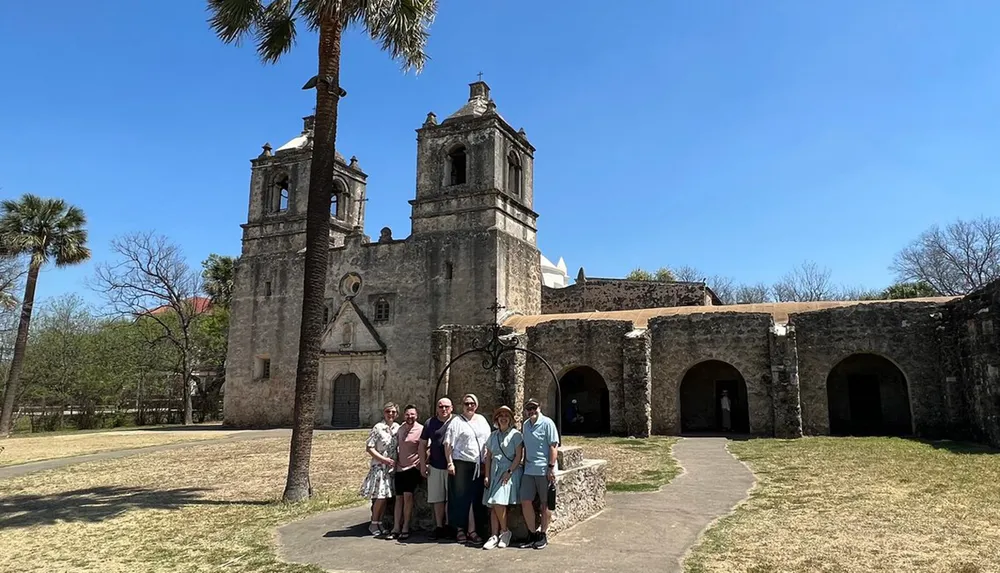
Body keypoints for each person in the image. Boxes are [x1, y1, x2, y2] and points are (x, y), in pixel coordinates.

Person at [443, 393, 492, 544]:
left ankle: (472, 529)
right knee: (460, 497)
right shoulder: (456, 422)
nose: (469, 406)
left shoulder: (482, 420)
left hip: (479, 464)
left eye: (472, 403)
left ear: (476, 405)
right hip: (461, 463)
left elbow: (488, 441)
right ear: (462, 405)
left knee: (475, 498)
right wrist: (450, 462)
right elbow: (448, 443)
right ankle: (460, 529)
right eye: (466, 403)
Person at [481, 405, 523, 550]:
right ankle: (494, 535)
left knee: (497, 501)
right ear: (497, 419)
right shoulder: (493, 436)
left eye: (506, 415)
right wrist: (487, 475)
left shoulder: (516, 435)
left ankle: (505, 531)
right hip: (495, 472)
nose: (503, 418)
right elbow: (488, 458)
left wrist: (510, 471)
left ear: (510, 419)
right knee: (493, 505)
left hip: (509, 472)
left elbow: (519, 456)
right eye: (501, 415)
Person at [520, 397, 559, 549]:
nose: (531, 411)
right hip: (529, 469)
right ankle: (532, 533)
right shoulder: (525, 425)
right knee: (525, 500)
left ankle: (542, 534)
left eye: (533, 408)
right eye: (528, 408)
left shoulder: (548, 423)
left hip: (544, 469)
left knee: (545, 503)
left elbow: (553, 446)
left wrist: (551, 467)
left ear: (539, 408)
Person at [360, 402, 399, 536]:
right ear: (384, 413)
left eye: (393, 412)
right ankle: (373, 523)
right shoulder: (378, 427)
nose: (391, 414)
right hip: (379, 467)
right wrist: (383, 460)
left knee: (386, 497)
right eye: (388, 411)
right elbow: (369, 447)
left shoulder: (397, 428)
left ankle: (380, 523)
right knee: (380, 497)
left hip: (391, 469)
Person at [419, 397, 453, 540]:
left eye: (446, 406)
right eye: (440, 406)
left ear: (452, 408)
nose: (443, 409)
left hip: (452, 466)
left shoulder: (457, 422)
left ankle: (449, 525)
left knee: (451, 499)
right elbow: (422, 444)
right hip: (435, 465)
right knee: (438, 499)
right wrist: (422, 464)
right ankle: (439, 527)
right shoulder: (430, 423)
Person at [388, 404, 423, 541]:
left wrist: (421, 463)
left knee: (408, 497)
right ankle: (396, 527)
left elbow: (426, 447)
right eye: (408, 414)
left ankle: (406, 527)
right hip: (399, 468)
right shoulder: (400, 428)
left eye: (412, 414)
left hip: (412, 468)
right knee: (398, 498)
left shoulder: (420, 429)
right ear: (404, 415)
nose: (410, 417)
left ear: (417, 415)